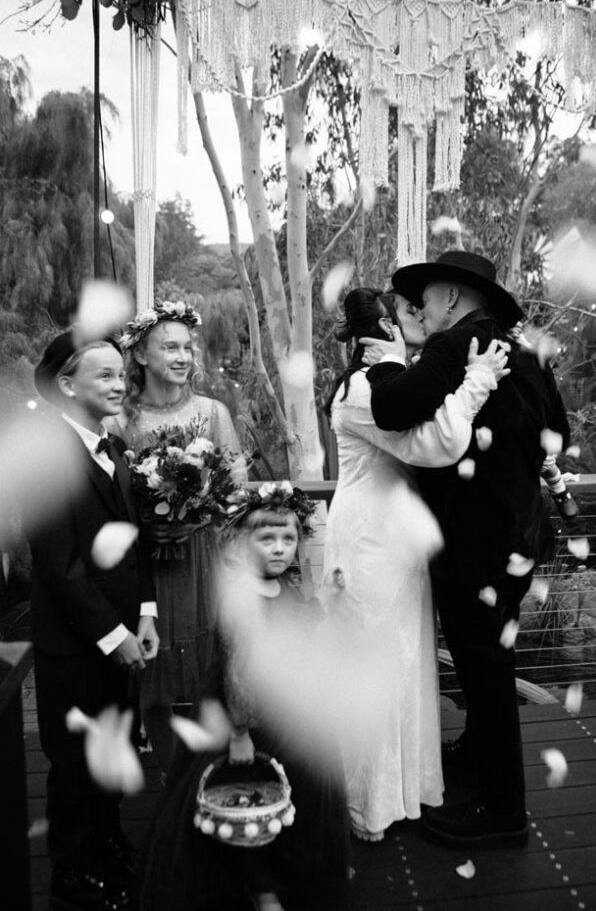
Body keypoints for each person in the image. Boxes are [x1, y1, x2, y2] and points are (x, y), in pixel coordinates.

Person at [362, 251, 571, 848]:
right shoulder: (526, 348)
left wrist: (391, 365)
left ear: (452, 298)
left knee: (485, 671)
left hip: (473, 542)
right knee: (492, 659)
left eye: (424, 298)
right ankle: (479, 752)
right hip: (519, 536)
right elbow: (560, 430)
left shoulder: (459, 344)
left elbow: (389, 408)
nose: (419, 310)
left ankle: (503, 812)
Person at [322, 286, 510, 842]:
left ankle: (408, 789)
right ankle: (366, 804)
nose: (412, 324)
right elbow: (432, 445)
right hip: (369, 540)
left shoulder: (391, 383)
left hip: (399, 541)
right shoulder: (363, 389)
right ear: (380, 333)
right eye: (401, 319)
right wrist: (477, 380)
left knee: (406, 661)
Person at [139, 483, 350, 911]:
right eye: (266, 538)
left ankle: (292, 871)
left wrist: (322, 599)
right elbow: (238, 669)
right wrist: (239, 731)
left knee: (287, 796)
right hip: (243, 716)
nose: (278, 549)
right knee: (246, 799)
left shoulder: (281, 586)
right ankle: (259, 886)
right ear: (241, 541)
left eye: (288, 539)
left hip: (282, 710)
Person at [28, 332, 158, 911]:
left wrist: (147, 614)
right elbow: (61, 567)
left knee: (113, 748)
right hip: (77, 645)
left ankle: (111, 845)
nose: (118, 384)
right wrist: (114, 635)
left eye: (119, 373)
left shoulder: (119, 448)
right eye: (103, 375)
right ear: (65, 385)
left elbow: (136, 544)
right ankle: (73, 873)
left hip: (127, 634)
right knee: (77, 764)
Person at [109, 301, 246, 773]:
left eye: (188, 347)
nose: (184, 355)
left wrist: (201, 513)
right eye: (170, 346)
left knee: (214, 671)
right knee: (155, 678)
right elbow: (110, 501)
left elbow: (237, 490)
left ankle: (212, 775)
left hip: (205, 559)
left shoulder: (212, 412)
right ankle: (172, 780)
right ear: (141, 355)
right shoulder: (120, 422)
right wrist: (150, 523)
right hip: (148, 568)